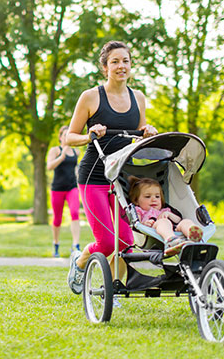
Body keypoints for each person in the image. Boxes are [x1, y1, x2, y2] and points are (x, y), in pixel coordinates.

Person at [65, 40, 158, 295]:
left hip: (122, 177)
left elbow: (137, 137)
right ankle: (80, 261)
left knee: (127, 240)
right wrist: (89, 135)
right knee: (106, 242)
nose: (121, 66)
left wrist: (147, 133)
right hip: (93, 176)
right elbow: (69, 137)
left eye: (125, 61)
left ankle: (113, 289)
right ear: (105, 67)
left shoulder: (138, 98)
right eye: (115, 61)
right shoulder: (91, 97)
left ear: (130, 65)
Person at [128, 176, 203, 256]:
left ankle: (193, 236)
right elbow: (137, 223)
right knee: (163, 222)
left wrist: (169, 214)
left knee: (186, 221)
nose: (154, 199)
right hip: (154, 231)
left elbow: (178, 220)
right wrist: (144, 223)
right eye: (148, 197)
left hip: (175, 229)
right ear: (136, 200)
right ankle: (170, 240)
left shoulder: (165, 210)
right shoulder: (139, 210)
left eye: (157, 196)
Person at [46, 125, 81, 258]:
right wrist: (62, 156)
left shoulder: (76, 152)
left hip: (72, 187)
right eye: (65, 134)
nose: (67, 137)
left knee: (74, 213)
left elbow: (76, 169)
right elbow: (49, 166)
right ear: (60, 137)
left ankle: (75, 245)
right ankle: (56, 244)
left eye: (69, 134)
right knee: (57, 219)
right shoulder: (55, 150)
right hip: (57, 188)